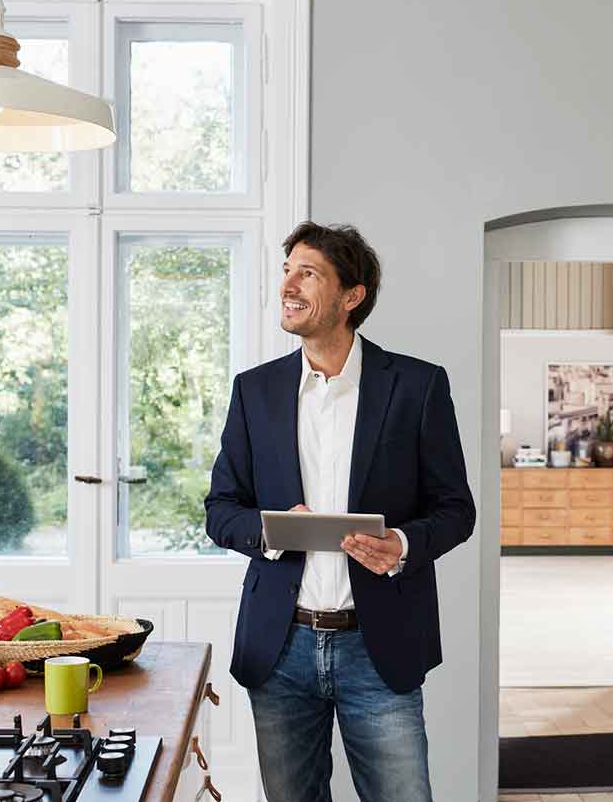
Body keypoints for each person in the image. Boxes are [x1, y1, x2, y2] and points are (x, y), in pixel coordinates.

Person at [205, 221, 476, 801]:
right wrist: (275, 530)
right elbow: (220, 510)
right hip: (280, 650)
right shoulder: (254, 391)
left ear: (352, 297)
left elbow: (456, 509)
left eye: (308, 273)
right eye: (286, 271)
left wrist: (401, 544)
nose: (289, 285)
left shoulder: (418, 386)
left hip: (379, 651)